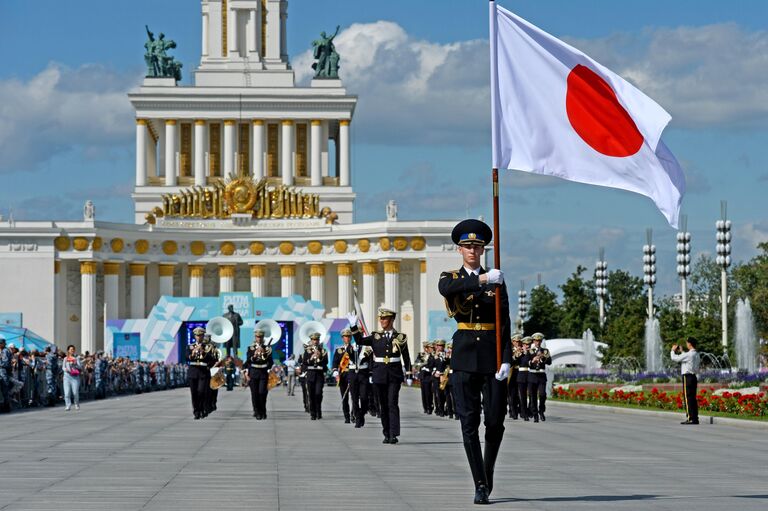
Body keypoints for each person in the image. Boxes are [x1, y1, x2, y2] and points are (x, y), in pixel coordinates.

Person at [438, 218, 512, 505]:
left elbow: (505, 323)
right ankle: (480, 484)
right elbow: (447, 290)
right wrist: (483, 280)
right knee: (469, 423)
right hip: (465, 357)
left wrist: (506, 359)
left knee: (495, 422)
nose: (472, 250)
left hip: (492, 358)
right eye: (467, 246)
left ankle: (487, 471)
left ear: (483, 250)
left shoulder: (498, 281)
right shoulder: (452, 277)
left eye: (477, 246)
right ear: (459, 249)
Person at [348, 308, 412, 445]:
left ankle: (394, 434)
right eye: (381, 319)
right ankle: (386, 433)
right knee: (383, 405)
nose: (382, 321)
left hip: (394, 374)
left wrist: (409, 373)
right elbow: (359, 340)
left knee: (392, 403)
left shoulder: (400, 337)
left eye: (385, 318)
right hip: (380, 374)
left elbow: (406, 357)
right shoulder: (375, 336)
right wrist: (353, 326)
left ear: (392, 320)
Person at [187, 327, 217, 419]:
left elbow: (213, 360)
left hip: (203, 372)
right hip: (193, 372)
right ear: (194, 336)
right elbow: (186, 357)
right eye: (197, 335)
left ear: (203, 336)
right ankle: (196, 411)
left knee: (201, 392)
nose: (198, 337)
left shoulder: (208, 347)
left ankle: (202, 409)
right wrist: (193, 353)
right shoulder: (190, 346)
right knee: (194, 393)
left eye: (200, 335)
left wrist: (203, 352)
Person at [671, 337, 701, 425]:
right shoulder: (696, 354)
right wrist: (682, 352)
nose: (686, 344)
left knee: (688, 398)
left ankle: (690, 418)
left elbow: (675, 358)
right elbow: (687, 359)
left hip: (687, 377)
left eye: (687, 343)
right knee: (693, 398)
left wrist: (672, 350)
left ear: (689, 344)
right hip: (694, 377)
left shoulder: (689, 354)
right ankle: (695, 418)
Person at [245, 330, 273, 420]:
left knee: (262, 393)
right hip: (253, 373)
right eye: (257, 337)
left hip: (263, 373)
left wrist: (264, 354)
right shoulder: (251, 348)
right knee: (254, 394)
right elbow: (248, 361)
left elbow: (271, 362)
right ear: (255, 338)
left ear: (263, 338)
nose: (259, 339)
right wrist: (255, 355)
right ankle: (257, 412)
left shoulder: (267, 349)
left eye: (260, 337)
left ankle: (263, 411)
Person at [301, 332, 328, 420]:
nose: (315, 341)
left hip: (319, 374)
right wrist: (312, 358)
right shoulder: (307, 351)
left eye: (316, 340)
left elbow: (326, 362)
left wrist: (320, 357)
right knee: (311, 394)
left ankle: (318, 411)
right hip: (310, 374)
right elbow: (304, 362)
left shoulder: (323, 350)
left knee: (318, 393)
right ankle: (313, 413)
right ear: (311, 341)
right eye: (313, 340)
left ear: (319, 340)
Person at [349, 334, 373, 428]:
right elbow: (350, 357)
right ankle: (358, 417)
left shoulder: (367, 348)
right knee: (354, 398)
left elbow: (370, 361)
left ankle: (361, 414)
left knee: (364, 398)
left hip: (363, 374)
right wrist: (351, 350)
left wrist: (371, 374)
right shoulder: (351, 347)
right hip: (353, 374)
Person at [331, 329, 355, 423]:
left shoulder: (354, 348)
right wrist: (336, 373)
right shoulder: (339, 350)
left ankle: (354, 414)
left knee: (354, 397)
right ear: (342, 338)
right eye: (345, 336)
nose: (347, 338)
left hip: (352, 374)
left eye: (349, 336)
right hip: (343, 375)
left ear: (351, 338)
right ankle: (347, 416)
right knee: (344, 397)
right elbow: (334, 363)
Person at [527, 333, 552, 422]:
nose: (537, 342)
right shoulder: (530, 350)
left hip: (541, 375)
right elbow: (525, 362)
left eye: (539, 341)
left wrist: (543, 357)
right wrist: (532, 361)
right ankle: (535, 414)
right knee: (532, 396)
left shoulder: (545, 351)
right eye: (536, 341)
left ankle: (541, 411)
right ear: (533, 341)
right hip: (532, 375)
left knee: (542, 394)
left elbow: (549, 362)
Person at [515, 337, 533, 421]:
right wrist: (519, 353)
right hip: (521, 376)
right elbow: (514, 361)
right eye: (525, 344)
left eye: (528, 344)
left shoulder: (532, 353)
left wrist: (528, 353)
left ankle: (530, 410)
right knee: (523, 396)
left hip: (530, 375)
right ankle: (524, 412)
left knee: (532, 394)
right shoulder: (520, 353)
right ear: (523, 345)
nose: (527, 346)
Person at [62, 345, 82, 411]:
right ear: (68, 350)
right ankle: (68, 405)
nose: (72, 350)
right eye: (71, 349)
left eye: (73, 349)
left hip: (75, 377)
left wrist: (75, 363)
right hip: (67, 377)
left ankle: (76, 404)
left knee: (75, 392)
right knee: (67, 392)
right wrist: (66, 370)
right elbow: (63, 367)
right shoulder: (65, 358)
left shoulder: (77, 358)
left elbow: (80, 367)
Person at [507, 334, 523, 419]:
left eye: (519, 341)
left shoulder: (523, 350)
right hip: (512, 373)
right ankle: (512, 411)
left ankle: (519, 410)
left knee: (519, 393)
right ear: (512, 342)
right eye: (516, 341)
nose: (518, 343)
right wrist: (515, 356)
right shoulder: (509, 350)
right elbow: (509, 361)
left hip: (520, 373)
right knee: (512, 394)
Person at [0, 337, 11, 413]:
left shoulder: (5, 351)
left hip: (3, 371)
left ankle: (6, 406)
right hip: (2, 370)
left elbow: (5, 362)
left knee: (5, 389)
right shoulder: (3, 350)